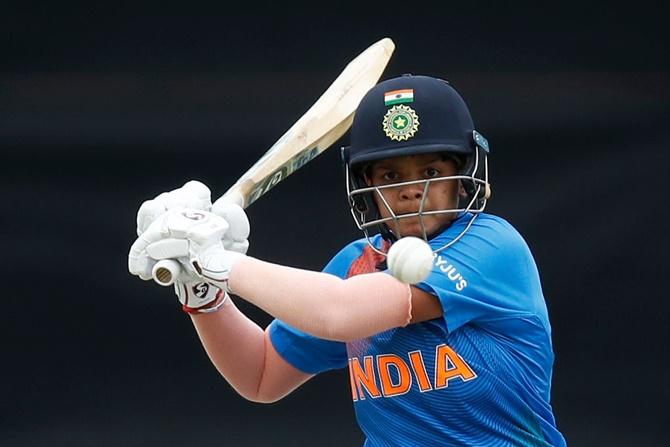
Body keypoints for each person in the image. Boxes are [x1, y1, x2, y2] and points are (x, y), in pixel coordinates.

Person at [128, 74, 566, 446]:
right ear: (367, 187)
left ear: (463, 177)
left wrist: (219, 261)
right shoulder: (358, 264)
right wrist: (205, 296)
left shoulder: (492, 246)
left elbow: (339, 312)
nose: (411, 190)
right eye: (391, 175)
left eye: (430, 172)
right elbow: (260, 374)